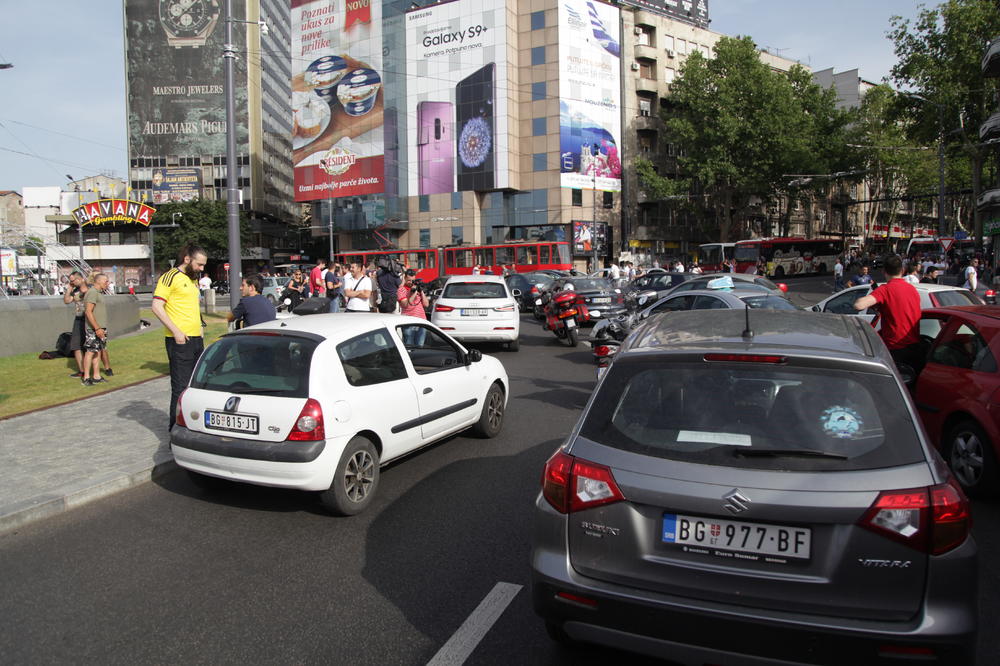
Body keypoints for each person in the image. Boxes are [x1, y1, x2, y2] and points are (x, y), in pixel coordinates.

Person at [152, 244, 207, 429]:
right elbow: (157, 306)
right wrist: (176, 332)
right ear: (187, 259)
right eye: (199, 264)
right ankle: (175, 430)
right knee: (180, 387)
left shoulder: (192, 280)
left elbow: (192, 307)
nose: (201, 269)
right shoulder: (170, 277)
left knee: (196, 385)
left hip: (196, 338)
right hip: (180, 340)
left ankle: (192, 424)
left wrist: (200, 328)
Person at [854, 254, 923, 373]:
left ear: (883, 271)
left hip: (895, 348)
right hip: (915, 346)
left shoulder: (885, 289)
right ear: (902, 270)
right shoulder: (912, 289)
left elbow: (858, 305)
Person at [81, 273, 110, 386]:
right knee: (90, 352)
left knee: (97, 351)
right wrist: (97, 328)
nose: (107, 283)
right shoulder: (92, 292)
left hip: (100, 328)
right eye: (106, 281)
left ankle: (96, 376)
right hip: (94, 328)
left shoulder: (99, 293)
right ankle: (86, 377)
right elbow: (88, 311)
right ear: (98, 281)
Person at [63, 271, 89, 378]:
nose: (71, 282)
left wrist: (83, 285)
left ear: (80, 279)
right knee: (76, 345)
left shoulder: (89, 288)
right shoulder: (74, 291)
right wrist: (69, 289)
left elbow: (86, 293)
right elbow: (67, 301)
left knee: (91, 347)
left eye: (73, 280)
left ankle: (92, 370)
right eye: (70, 281)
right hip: (78, 319)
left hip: (88, 319)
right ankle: (81, 371)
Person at [398, 269, 431, 345]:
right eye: (409, 280)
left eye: (413, 280)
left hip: (421, 321)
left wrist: (421, 291)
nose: (411, 282)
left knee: (420, 346)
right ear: (404, 279)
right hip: (409, 322)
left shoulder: (417, 289)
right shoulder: (401, 290)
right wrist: (414, 293)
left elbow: (426, 304)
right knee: (409, 347)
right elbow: (405, 304)